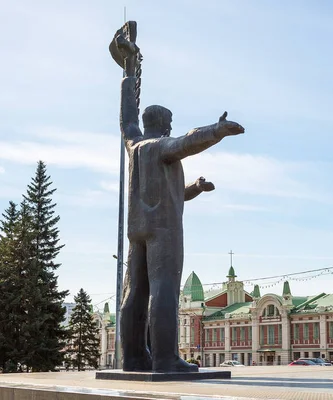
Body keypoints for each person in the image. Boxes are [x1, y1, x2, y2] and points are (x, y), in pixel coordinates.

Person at [112, 26, 244, 373]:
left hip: (137, 230)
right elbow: (187, 141)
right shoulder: (162, 146)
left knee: (134, 294)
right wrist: (216, 131)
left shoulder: (133, 144)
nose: (172, 127)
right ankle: (167, 359)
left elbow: (126, 118)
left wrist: (128, 74)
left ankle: (135, 358)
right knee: (165, 291)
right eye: (169, 122)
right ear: (164, 124)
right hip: (163, 232)